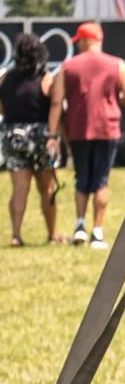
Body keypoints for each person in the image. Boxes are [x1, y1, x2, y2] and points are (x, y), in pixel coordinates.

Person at [51, 21, 125, 247]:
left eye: (79, 42)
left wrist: (53, 133)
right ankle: (97, 231)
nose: (78, 46)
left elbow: (57, 100)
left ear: (86, 40)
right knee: (101, 180)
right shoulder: (117, 64)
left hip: (78, 130)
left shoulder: (67, 67)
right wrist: (113, 100)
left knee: (82, 179)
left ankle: (80, 226)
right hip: (107, 128)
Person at [2, 31, 63, 246]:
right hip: (41, 136)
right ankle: (52, 234)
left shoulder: (5, 78)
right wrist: (53, 135)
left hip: (12, 135)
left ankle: (16, 235)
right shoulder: (46, 78)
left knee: (19, 187)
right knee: (46, 187)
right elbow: (56, 105)